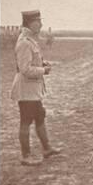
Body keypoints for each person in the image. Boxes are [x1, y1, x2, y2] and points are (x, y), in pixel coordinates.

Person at [10, 10, 61, 166]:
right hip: (26, 89)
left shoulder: (30, 40)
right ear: (29, 23)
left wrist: (42, 64)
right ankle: (25, 156)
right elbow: (25, 69)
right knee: (25, 121)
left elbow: (33, 62)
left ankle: (46, 148)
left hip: (33, 90)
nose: (41, 24)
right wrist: (43, 71)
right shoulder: (25, 42)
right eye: (37, 21)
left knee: (40, 116)